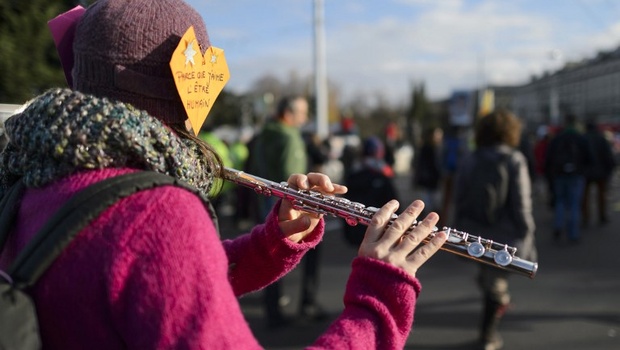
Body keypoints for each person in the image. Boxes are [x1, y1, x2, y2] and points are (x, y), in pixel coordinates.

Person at [0, 1, 448, 349]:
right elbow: (155, 254)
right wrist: (379, 296)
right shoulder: (156, 212)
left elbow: (160, 285)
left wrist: (274, 241)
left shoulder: (34, 172)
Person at [454, 110, 536, 350]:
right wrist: (528, 239)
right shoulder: (514, 159)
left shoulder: (470, 158)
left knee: (487, 277)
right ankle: (488, 336)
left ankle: (494, 312)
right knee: (496, 286)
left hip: (474, 233)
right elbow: (522, 205)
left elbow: (460, 197)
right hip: (505, 235)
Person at [544, 114, 594, 243]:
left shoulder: (558, 138)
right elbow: (589, 157)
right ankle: (573, 233)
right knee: (574, 204)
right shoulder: (580, 138)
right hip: (576, 175)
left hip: (559, 175)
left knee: (560, 201)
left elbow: (549, 158)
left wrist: (550, 175)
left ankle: (558, 225)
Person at [343, 136, 399, 247]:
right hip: (379, 227)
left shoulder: (354, 171)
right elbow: (393, 201)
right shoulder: (382, 173)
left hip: (357, 225)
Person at [581, 119, 616, 226]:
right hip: (601, 172)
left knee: (585, 197)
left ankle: (586, 217)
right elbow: (608, 156)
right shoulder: (601, 139)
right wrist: (610, 169)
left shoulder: (583, 138)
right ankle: (602, 216)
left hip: (586, 172)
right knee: (601, 195)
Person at [413, 126, 443, 217]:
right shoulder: (425, 149)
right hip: (426, 182)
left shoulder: (439, 149)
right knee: (426, 207)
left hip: (434, 183)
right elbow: (419, 166)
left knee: (434, 206)